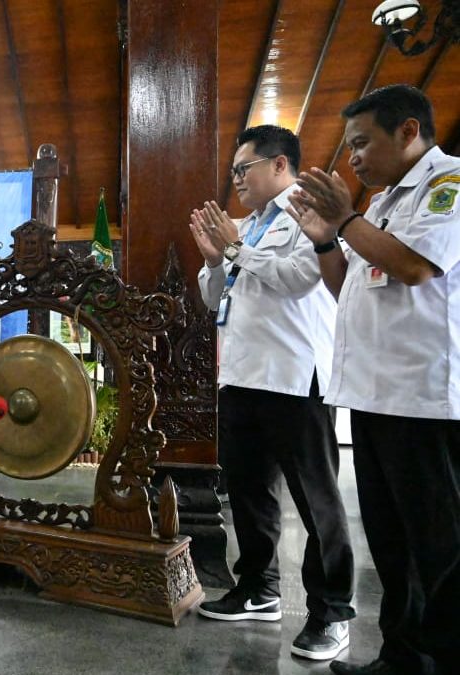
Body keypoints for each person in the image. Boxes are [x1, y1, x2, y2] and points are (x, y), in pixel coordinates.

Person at [288, 84, 460, 675]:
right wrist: (324, 240)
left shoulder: (449, 185)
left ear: (409, 131)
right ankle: (402, 657)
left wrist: (346, 219)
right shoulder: (382, 205)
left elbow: (413, 267)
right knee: (392, 546)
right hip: (374, 396)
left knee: (441, 549)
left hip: (424, 398)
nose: (353, 157)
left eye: (362, 142)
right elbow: (349, 290)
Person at [190, 125, 355, 661]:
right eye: (234, 172)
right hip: (242, 377)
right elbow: (217, 301)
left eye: (244, 169)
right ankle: (258, 589)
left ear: (279, 165)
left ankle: (331, 614)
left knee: (317, 503)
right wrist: (216, 261)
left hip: (293, 379)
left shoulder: (306, 213)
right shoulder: (251, 224)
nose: (236, 180)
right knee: (247, 491)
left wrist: (235, 248)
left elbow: (297, 279)